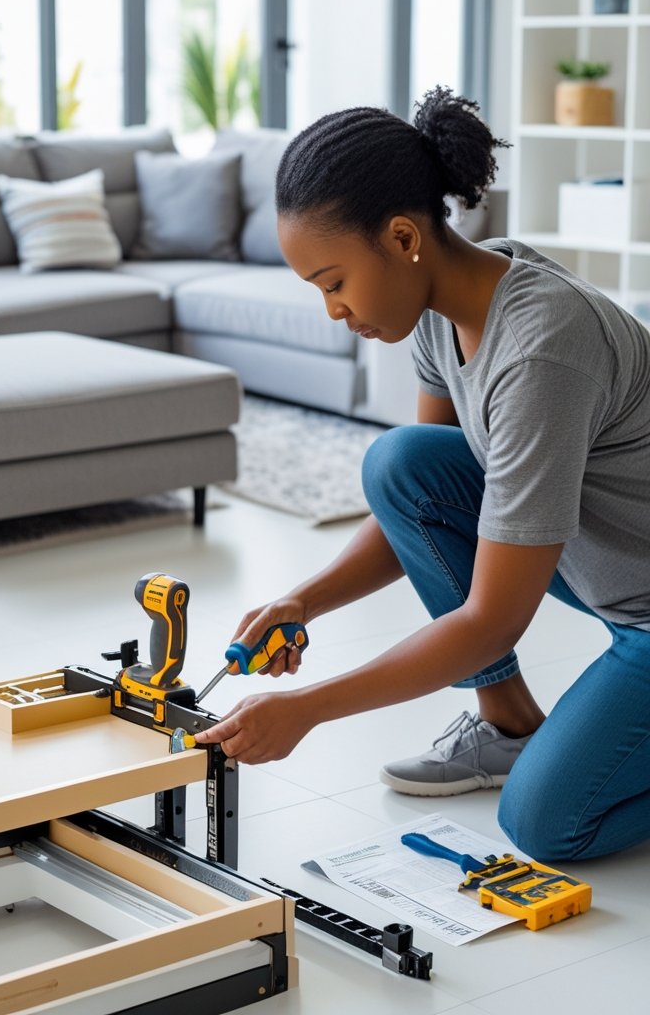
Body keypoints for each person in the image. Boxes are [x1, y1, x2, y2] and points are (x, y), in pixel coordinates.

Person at [194, 86, 650, 862]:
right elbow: (425, 503)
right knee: (400, 462)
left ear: (403, 237)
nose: (333, 311)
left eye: (334, 282)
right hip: (610, 561)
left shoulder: (541, 349)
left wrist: (306, 708)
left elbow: (491, 621)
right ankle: (508, 725)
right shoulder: (444, 312)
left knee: (546, 823)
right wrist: (301, 600)